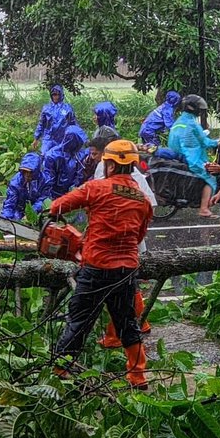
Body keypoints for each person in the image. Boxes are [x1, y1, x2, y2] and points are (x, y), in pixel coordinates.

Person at [51, 139, 153, 389]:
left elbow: (57, 206)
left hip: (96, 267)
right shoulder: (143, 200)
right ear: (132, 166)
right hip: (126, 270)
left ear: (108, 164)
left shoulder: (94, 189)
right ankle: (138, 376)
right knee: (127, 323)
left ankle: (60, 368)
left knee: (79, 320)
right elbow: (139, 236)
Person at [91, 140, 158, 348]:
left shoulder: (134, 178)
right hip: (119, 241)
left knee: (116, 292)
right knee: (128, 287)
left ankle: (115, 336)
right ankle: (142, 322)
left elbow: (149, 207)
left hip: (122, 243)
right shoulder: (105, 172)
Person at [168, 94, 219, 217]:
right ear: (193, 108)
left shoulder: (179, 121)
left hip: (178, 155)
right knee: (211, 177)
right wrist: (218, 142)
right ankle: (204, 209)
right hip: (191, 158)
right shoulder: (192, 124)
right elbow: (204, 142)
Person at [41, 125, 89, 199]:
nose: (81, 145)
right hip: (55, 194)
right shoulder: (53, 156)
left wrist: (74, 187)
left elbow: (79, 173)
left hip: (72, 193)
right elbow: (48, 180)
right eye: (79, 142)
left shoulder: (78, 154)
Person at [1, 152, 47, 220]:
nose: (27, 175)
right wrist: (5, 219)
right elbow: (10, 203)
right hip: (19, 210)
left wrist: (31, 213)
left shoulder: (44, 180)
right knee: (14, 218)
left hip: (38, 211)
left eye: (30, 172)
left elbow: (43, 200)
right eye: (25, 171)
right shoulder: (16, 182)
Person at [33, 85, 77, 155]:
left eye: (57, 94)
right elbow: (41, 124)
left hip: (62, 139)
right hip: (48, 138)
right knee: (44, 155)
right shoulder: (46, 108)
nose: (55, 97)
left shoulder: (68, 108)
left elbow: (73, 124)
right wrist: (36, 138)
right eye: (54, 94)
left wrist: (76, 138)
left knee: (60, 158)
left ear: (61, 95)